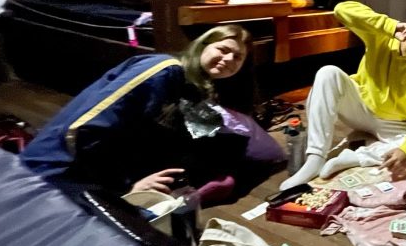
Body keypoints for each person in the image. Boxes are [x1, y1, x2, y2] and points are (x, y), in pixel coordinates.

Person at [21, 24, 252, 197]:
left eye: (238, 57)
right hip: (56, 172)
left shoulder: (197, 91)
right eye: (222, 49)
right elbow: (84, 131)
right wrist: (127, 187)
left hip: (104, 173)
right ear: (201, 46)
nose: (228, 59)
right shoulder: (163, 70)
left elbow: (194, 141)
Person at [280, 1, 406, 191]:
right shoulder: (381, 34)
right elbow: (342, 10)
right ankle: (315, 158)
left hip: (393, 124)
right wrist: (392, 26)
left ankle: (355, 158)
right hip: (360, 107)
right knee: (328, 72)